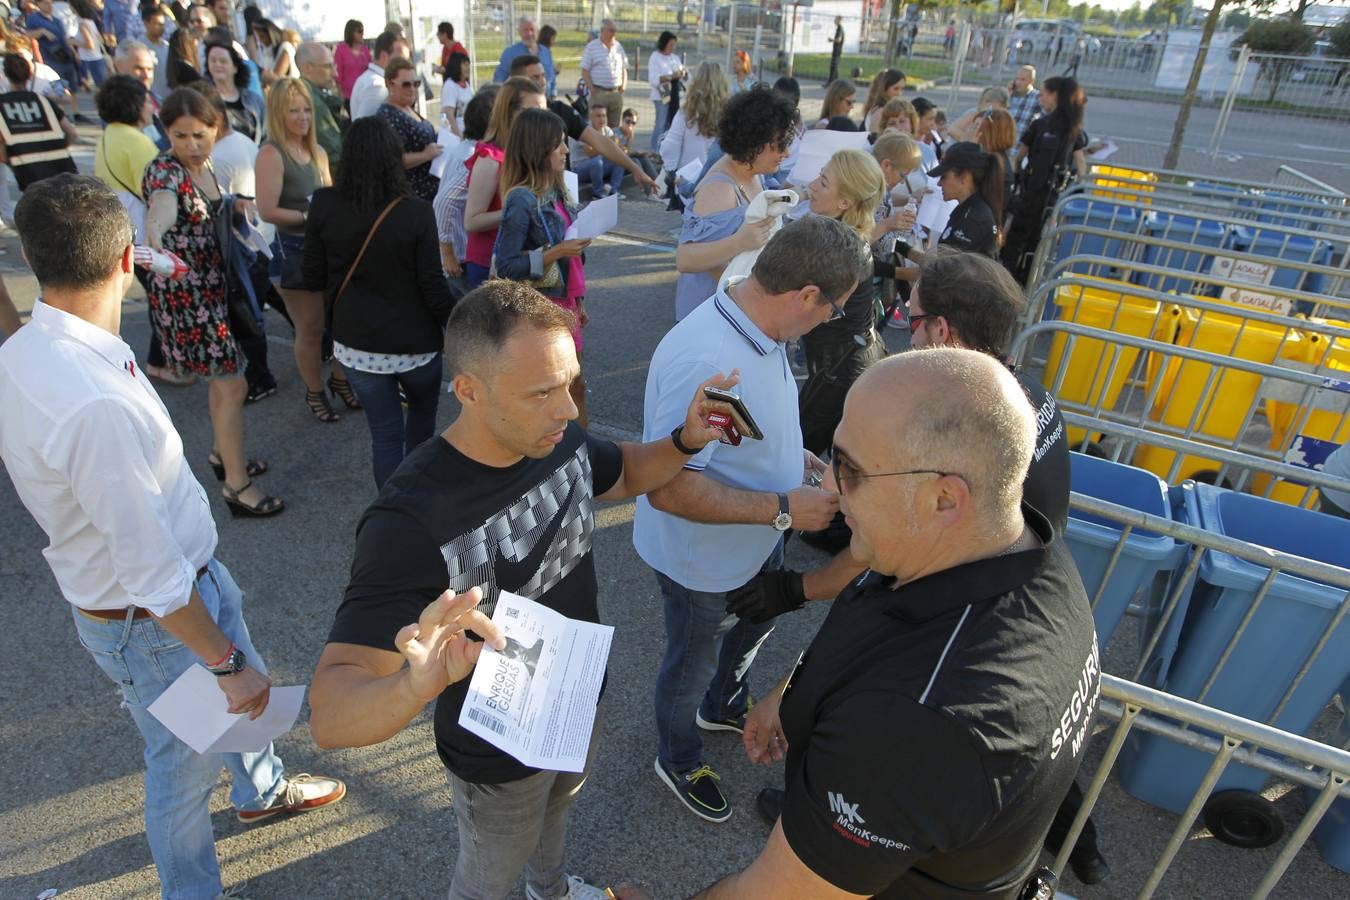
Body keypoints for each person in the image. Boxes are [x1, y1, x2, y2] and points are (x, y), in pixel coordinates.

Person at [309, 280, 738, 900]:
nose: (567, 410)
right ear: (468, 390)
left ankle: (553, 891)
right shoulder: (409, 519)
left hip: (575, 693)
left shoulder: (551, 434)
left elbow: (622, 474)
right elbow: (329, 713)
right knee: (487, 877)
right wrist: (415, 683)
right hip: (496, 753)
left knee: (559, 811)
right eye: (542, 391)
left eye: (570, 382)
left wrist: (685, 441)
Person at [619, 347, 1098, 900]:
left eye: (849, 470)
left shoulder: (912, 727)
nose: (828, 487)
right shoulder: (1024, 548)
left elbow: (774, 896)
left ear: (945, 498)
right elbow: (878, 617)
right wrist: (792, 690)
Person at [0, 173, 347, 900]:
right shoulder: (91, 402)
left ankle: (261, 787)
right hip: (159, 621)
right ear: (127, 259)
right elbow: (152, 573)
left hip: (164, 599)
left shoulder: (32, 350)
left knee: (238, 713)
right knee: (179, 769)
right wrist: (224, 663)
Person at [635, 217, 869, 823]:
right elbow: (668, 489)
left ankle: (722, 703)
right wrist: (786, 509)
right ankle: (678, 757)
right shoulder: (709, 358)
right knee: (691, 663)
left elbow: (751, 428)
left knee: (749, 626)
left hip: (752, 540)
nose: (833, 319)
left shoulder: (759, 320)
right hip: (702, 561)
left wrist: (799, 460)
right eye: (835, 308)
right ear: (806, 295)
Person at [142, 88, 281, 515]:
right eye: (180, 135)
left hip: (215, 291)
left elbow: (207, 210)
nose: (190, 144)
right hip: (189, 299)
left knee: (223, 383)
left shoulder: (208, 166)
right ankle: (237, 487)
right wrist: (154, 234)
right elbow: (162, 207)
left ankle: (224, 456)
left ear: (215, 128)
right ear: (167, 131)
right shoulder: (165, 171)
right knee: (232, 383)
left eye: (199, 134)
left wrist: (234, 206)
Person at [303, 117, 454, 487]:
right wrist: (463, 321)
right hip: (416, 345)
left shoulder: (323, 203)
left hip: (356, 345)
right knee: (421, 422)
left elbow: (313, 276)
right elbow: (433, 287)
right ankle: (421, 497)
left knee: (385, 434)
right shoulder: (416, 211)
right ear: (393, 158)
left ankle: (391, 512)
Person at [255, 77, 348, 423]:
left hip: (327, 249)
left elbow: (331, 196)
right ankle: (315, 391)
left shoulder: (318, 151)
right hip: (294, 251)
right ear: (278, 114)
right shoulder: (271, 153)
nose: (302, 117)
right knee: (310, 328)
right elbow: (267, 210)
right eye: (293, 110)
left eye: (306, 109)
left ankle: (340, 379)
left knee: (340, 322)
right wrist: (309, 216)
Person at [497, 108, 592, 422]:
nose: (566, 150)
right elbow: (507, 265)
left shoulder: (558, 190)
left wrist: (578, 301)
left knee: (574, 385)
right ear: (538, 150)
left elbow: (573, 263)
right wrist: (556, 252)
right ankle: (569, 455)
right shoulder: (520, 200)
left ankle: (579, 453)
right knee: (560, 388)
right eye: (558, 145)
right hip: (543, 307)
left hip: (566, 304)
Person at [672, 85, 795, 322]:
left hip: (733, 309)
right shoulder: (719, 190)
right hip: (711, 316)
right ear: (754, 143)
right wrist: (740, 241)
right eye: (779, 144)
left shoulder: (753, 172)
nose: (787, 152)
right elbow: (685, 259)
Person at [798, 149, 888, 456]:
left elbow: (796, 309)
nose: (811, 185)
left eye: (823, 182)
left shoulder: (840, 251)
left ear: (845, 203)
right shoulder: (837, 235)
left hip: (841, 372)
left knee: (792, 457)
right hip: (843, 364)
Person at [508, 53, 658, 200]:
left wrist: (634, 168)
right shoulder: (507, 119)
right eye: (535, 77)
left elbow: (599, 141)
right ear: (518, 82)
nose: (542, 81)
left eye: (543, 75)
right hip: (526, 195)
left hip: (559, 194)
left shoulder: (561, 110)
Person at [1001, 75, 1087, 284]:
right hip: (1040, 196)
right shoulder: (1047, 126)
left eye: (1044, 94)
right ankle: (1018, 280)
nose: (1040, 98)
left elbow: (1019, 156)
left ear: (1055, 96)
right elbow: (1081, 164)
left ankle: (1013, 279)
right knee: (1029, 242)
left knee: (1024, 242)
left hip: (1041, 196)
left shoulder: (1066, 129)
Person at [462, 76, 546, 288]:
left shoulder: (526, 153)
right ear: (509, 112)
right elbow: (471, 221)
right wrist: (520, 210)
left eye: (544, 111)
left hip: (521, 261)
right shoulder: (490, 159)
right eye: (533, 111)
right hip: (489, 266)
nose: (541, 119)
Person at [434, 84, 497, 298]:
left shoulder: (465, 148)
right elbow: (443, 202)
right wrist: (447, 251)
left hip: (460, 256)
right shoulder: (473, 156)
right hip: (461, 260)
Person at [895, 141, 1004, 262]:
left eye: (944, 177)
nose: (938, 183)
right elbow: (940, 266)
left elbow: (943, 271)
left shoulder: (974, 219)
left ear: (964, 178)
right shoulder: (966, 209)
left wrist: (887, 270)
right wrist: (898, 246)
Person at [0, 54, 78, 190]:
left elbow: (65, 95)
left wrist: (10, 159)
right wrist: (58, 147)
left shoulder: (46, 72)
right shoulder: (43, 96)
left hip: (28, 170)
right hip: (62, 166)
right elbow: (72, 133)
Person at [378, 55, 441, 203]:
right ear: (389, 84)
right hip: (414, 196)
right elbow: (391, 160)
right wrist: (425, 155)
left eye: (416, 83)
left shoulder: (406, 108)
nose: (412, 89)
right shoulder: (387, 116)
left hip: (430, 192)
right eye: (406, 84)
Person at [659, 59, 724, 193]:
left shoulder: (686, 111)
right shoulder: (729, 112)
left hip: (689, 179)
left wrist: (670, 168)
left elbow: (671, 146)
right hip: (720, 181)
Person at [296, 41, 346, 169]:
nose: (335, 74)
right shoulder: (309, 100)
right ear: (308, 68)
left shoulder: (313, 96)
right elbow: (333, 151)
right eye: (328, 66)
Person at [204, 38, 261, 141]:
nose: (217, 64)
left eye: (223, 61)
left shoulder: (254, 100)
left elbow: (265, 134)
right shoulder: (203, 100)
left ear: (235, 67)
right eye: (213, 60)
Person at [26, 0, 80, 101]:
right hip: (51, 60)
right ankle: (59, 113)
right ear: (39, 4)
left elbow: (64, 39)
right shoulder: (34, 18)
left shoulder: (56, 20)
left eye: (50, 3)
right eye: (46, 3)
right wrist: (42, 31)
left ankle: (76, 113)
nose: (49, 5)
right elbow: (27, 35)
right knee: (59, 91)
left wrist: (74, 52)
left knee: (72, 88)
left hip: (65, 57)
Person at [350, 29, 409, 120]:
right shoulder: (377, 86)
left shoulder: (372, 80)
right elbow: (365, 129)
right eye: (400, 60)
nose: (405, 65)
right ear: (384, 56)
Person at [580, 18, 627, 128]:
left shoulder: (618, 47)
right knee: (596, 127)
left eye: (615, 30)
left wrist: (623, 86)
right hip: (599, 92)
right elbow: (584, 70)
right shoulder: (592, 47)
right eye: (611, 30)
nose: (614, 33)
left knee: (614, 128)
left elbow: (624, 68)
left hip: (616, 92)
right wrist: (592, 89)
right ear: (603, 31)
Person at [571, 105, 625, 200]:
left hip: (597, 168)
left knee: (621, 158)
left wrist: (621, 146)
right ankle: (598, 193)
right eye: (598, 116)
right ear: (591, 117)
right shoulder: (583, 130)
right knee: (596, 161)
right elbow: (590, 154)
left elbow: (616, 149)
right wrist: (608, 144)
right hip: (579, 170)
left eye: (604, 116)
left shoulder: (607, 130)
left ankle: (613, 190)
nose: (602, 119)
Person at [647, 30, 684, 152]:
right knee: (661, 124)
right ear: (664, 44)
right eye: (670, 45)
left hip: (674, 94)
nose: (673, 48)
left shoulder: (675, 58)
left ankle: (667, 149)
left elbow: (683, 74)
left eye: (674, 45)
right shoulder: (655, 57)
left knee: (672, 123)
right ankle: (654, 150)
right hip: (662, 93)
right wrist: (670, 76)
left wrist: (683, 73)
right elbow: (653, 79)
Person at [493, 15, 551, 87]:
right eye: (525, 30)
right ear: (519, 32)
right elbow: (499, 80)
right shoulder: (510, 53)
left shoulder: (545, 51)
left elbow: (551, 77)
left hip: (545, 97)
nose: (529, 34)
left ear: (538, 32)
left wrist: (553, 93)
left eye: (532, 29)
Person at [71, 0, 108, 88]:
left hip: (89, 59)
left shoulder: (82, 24)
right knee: (103, 88)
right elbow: (100, 40)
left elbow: (90, 45)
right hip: (97, 57)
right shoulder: (90, 21)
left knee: (99, 88)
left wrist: (74, 42)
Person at [617, 107, 661, 181]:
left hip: (624, 160)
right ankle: (648, 187)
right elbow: (619, 154)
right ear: (622, 120)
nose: (630, 125)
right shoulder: (616, 133)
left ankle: (657, 184)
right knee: (636, 161)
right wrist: (635, 153)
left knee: (643, 158)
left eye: (633, 123)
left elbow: (626, 151)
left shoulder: (629, 133)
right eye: (628, 122)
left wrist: (629, 138)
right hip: (615, 163)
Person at [250, 17, 296, 86]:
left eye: (262, 37)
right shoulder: (264, 52)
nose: (260, 41)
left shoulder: (285, 47)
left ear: (271, 34)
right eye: (257, 38)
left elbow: (277, 77)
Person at [860, 67, 905, 133]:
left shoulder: (888, 108)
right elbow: (876, 139)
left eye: (902, 89)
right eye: (896, 88)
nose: (899, 93)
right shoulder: (880, 111)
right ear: (884, 89)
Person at [334, 18, 368, 102]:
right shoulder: (340, 49)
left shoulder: (365, 49)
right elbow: (338, 72)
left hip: (364, 93)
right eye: (359, 31)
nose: (362, 34)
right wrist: (339, 93)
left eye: (362, 31)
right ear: (351, 33)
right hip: (348, 95)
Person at [440, 51, 472, 136]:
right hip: (454, 137)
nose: (468, 67)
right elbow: (449, 114)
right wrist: (458, 135)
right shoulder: (450, 85)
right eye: (465, 64)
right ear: (456, 66)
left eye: (468, 64)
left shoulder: (467, 85)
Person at [1007, 65, 1041, 142]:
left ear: (1031, 81)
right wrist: (1008, 94)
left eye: (1023, 80)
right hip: (1006, 140)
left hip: (1022, 141)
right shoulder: (1011, 95)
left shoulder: (1037, 97)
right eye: (1017, 79)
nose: (1018, 82)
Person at [538, 24, 560, 96]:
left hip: (547, 89)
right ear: (547, 38)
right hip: (545, 90)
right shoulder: (542, 51)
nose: (555, 41)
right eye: (553, 38)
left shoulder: (546, 50)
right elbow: (547, 72)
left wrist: (555, 70)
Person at [828, 15, 844, 84]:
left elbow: (839, 39)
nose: (834, 21)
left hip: (837, 50)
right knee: (834, 67)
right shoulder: (838, 28)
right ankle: (835, 82)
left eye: (835, 19)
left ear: (839, 20)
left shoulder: (840, 29)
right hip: (836, 50)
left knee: (834, 66)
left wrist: (832, 40)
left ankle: (831, 82)